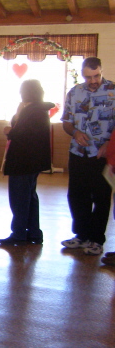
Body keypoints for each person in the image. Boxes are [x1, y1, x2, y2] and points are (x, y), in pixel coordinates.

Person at [60, 57, 115, 256]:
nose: (93, 80)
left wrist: (109, 143)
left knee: (101, 197)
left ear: (101, 71)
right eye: (88, 77)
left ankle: (96, 239)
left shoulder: (113, 91)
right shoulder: (75, 92)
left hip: (102, 155)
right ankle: (81, 235)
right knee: (76, 195)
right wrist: (74, 132)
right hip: (78, 153)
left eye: (96, 76)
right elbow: (66, 121)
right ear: (83, 74)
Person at [0, 79, 53, 245]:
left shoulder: (33, 112)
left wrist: (10, 131)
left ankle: (19, 233)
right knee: (30, 197)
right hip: (32, 162)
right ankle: (34, 232)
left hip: (23, 162)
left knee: (19, 199)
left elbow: (25, 135)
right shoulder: (38, 110)